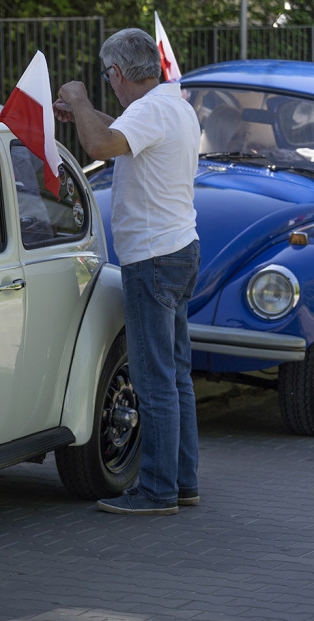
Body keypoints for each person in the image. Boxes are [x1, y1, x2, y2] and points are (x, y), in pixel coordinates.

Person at [53, 27, 201, 515]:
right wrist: (84, 113)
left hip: (152, 260)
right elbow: (119, 129)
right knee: (175, 374)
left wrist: (76, 96)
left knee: (153, 379)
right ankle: (182, 480)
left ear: (116, 73)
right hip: (180, 250)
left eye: (104, 77)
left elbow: (99, 147)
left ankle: (156, 491)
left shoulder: (150, 110)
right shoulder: (171, 103)